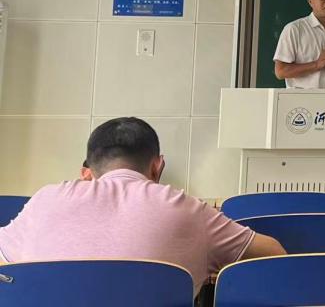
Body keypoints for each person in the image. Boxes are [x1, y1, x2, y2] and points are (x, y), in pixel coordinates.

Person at [0, 117, 284, 296]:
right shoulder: (187, 209)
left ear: (88, 170)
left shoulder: (46, 199)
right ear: (157, 166)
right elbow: (274, 255)